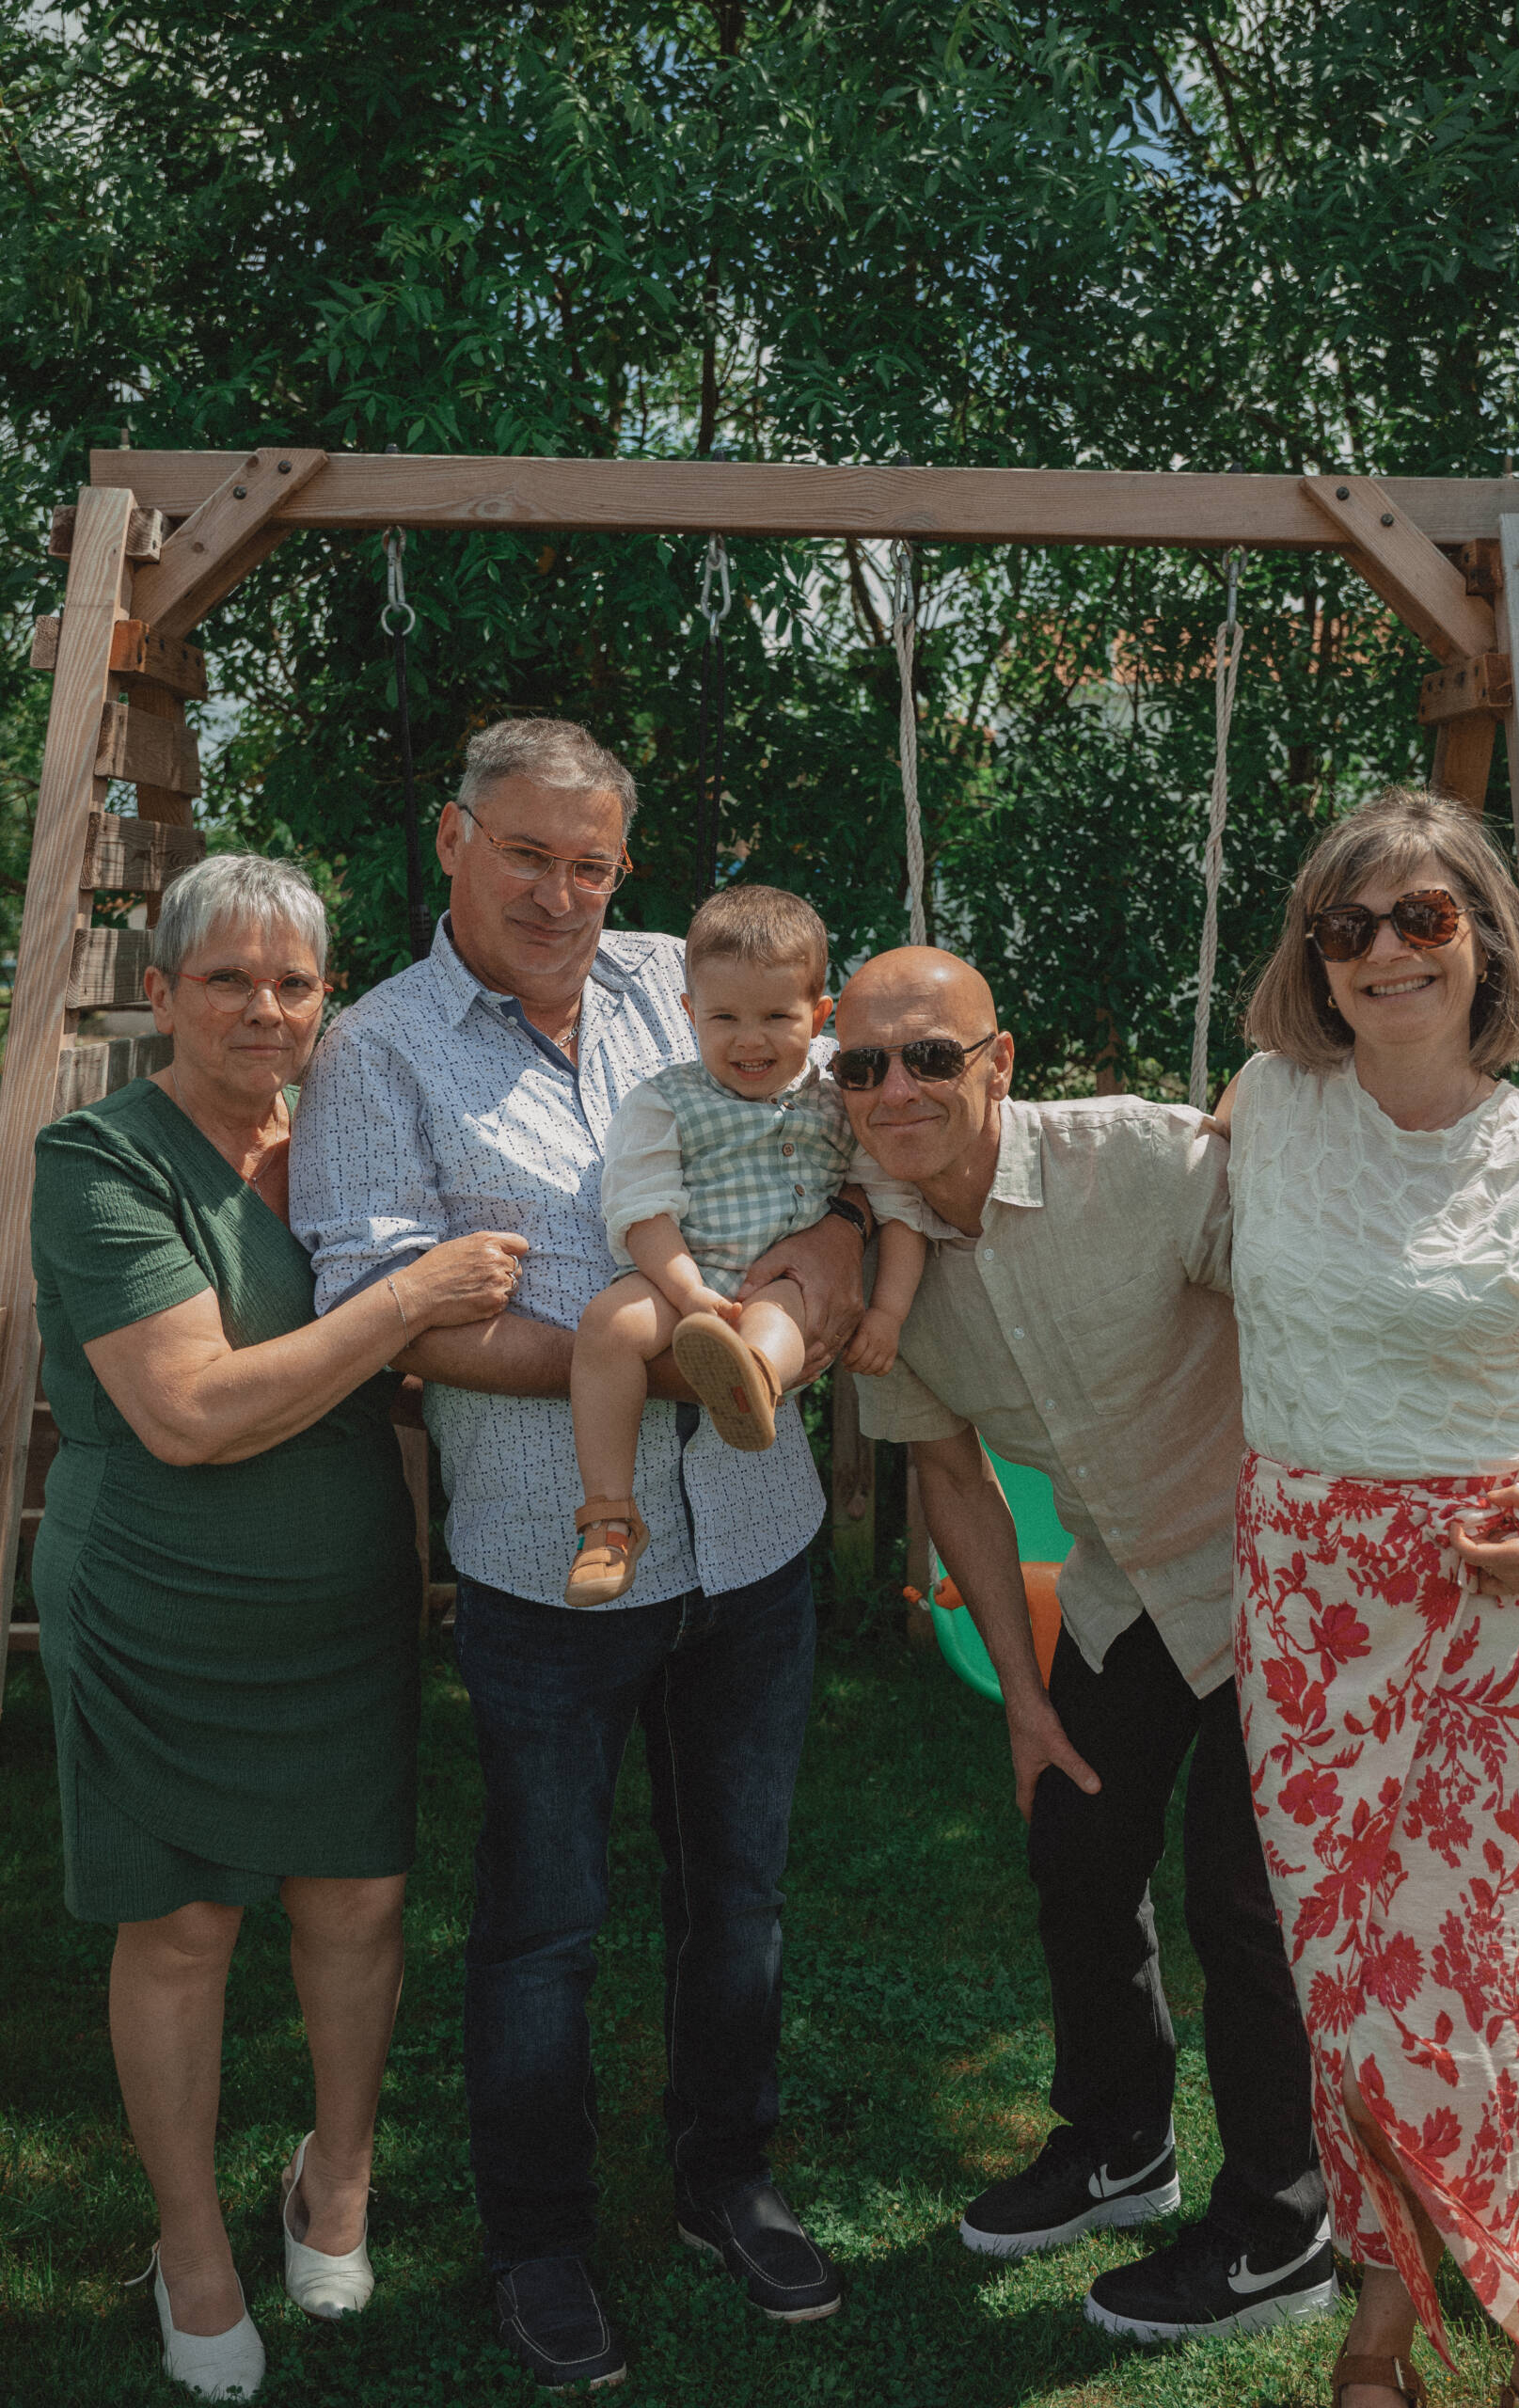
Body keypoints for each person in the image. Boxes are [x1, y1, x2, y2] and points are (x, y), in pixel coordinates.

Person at [831, 943, 1519, 2349]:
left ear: (997, 1062)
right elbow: (947, 1482)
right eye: (863, 1065)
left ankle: (1277, 2225)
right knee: (1071, 1841)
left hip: (1280, 1581)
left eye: (930, 1055)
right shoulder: (870, 1251)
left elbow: (1341, 1279)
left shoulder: (1144, 1161)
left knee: (1244, 1904)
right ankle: (1119, 2143)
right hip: (1125, 1587)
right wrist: (1015, 1698)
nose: (895, 1088)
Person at [290, 718, 870, 2390]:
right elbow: (381, 1311)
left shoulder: (672, 985)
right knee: (544, 1922)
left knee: (737, 1892)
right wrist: (651, 1351)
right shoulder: (380, 1053)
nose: (560, 893)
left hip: (754, 1539)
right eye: (528, 853)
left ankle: (724, 2178)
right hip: (553, 1560)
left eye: (591, 862)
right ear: (453, 837)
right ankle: (537, 2238)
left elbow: (826, 1143)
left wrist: (815, 1275)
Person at [28, 854, 527, 2403]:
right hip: (160, 1584)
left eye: (294, 982)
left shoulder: (344, 1140)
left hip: (340, 1586)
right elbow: (184, 1414)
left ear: (326, 998)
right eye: (227, 978)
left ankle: (341, 2179)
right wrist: (403, 1302)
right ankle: (191, 2247)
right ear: (162, 991)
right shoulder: (98, 1158)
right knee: (181, 1926)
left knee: (358, 1906)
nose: (264, 1008)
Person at [1215, 788, 1519, 2408]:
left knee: (1504, 1986)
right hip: (1307, 1602)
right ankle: (1385, 2304)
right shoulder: (1265, 1099)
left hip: (1495, 1608)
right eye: (1348, 926)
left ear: (1484, 940)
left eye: (1422, 919)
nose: (1383, 952)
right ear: (1314, 959)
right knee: (1351, 1985)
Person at [569, 882, 927, 1604]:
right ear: (688, 1014)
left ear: (819, 1016)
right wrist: (688, 1291)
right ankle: (608, 1521)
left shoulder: (838, 1095)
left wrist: (886, 1314)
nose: (749, 1039)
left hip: (780, 1283)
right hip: (685, 1272)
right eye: (723, 1016)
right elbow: (642, 1213)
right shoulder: (662, 1100)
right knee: (607, 1326)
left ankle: (751, 1383)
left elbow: (897, 1207)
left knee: (778, 1312)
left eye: (775, 1016)